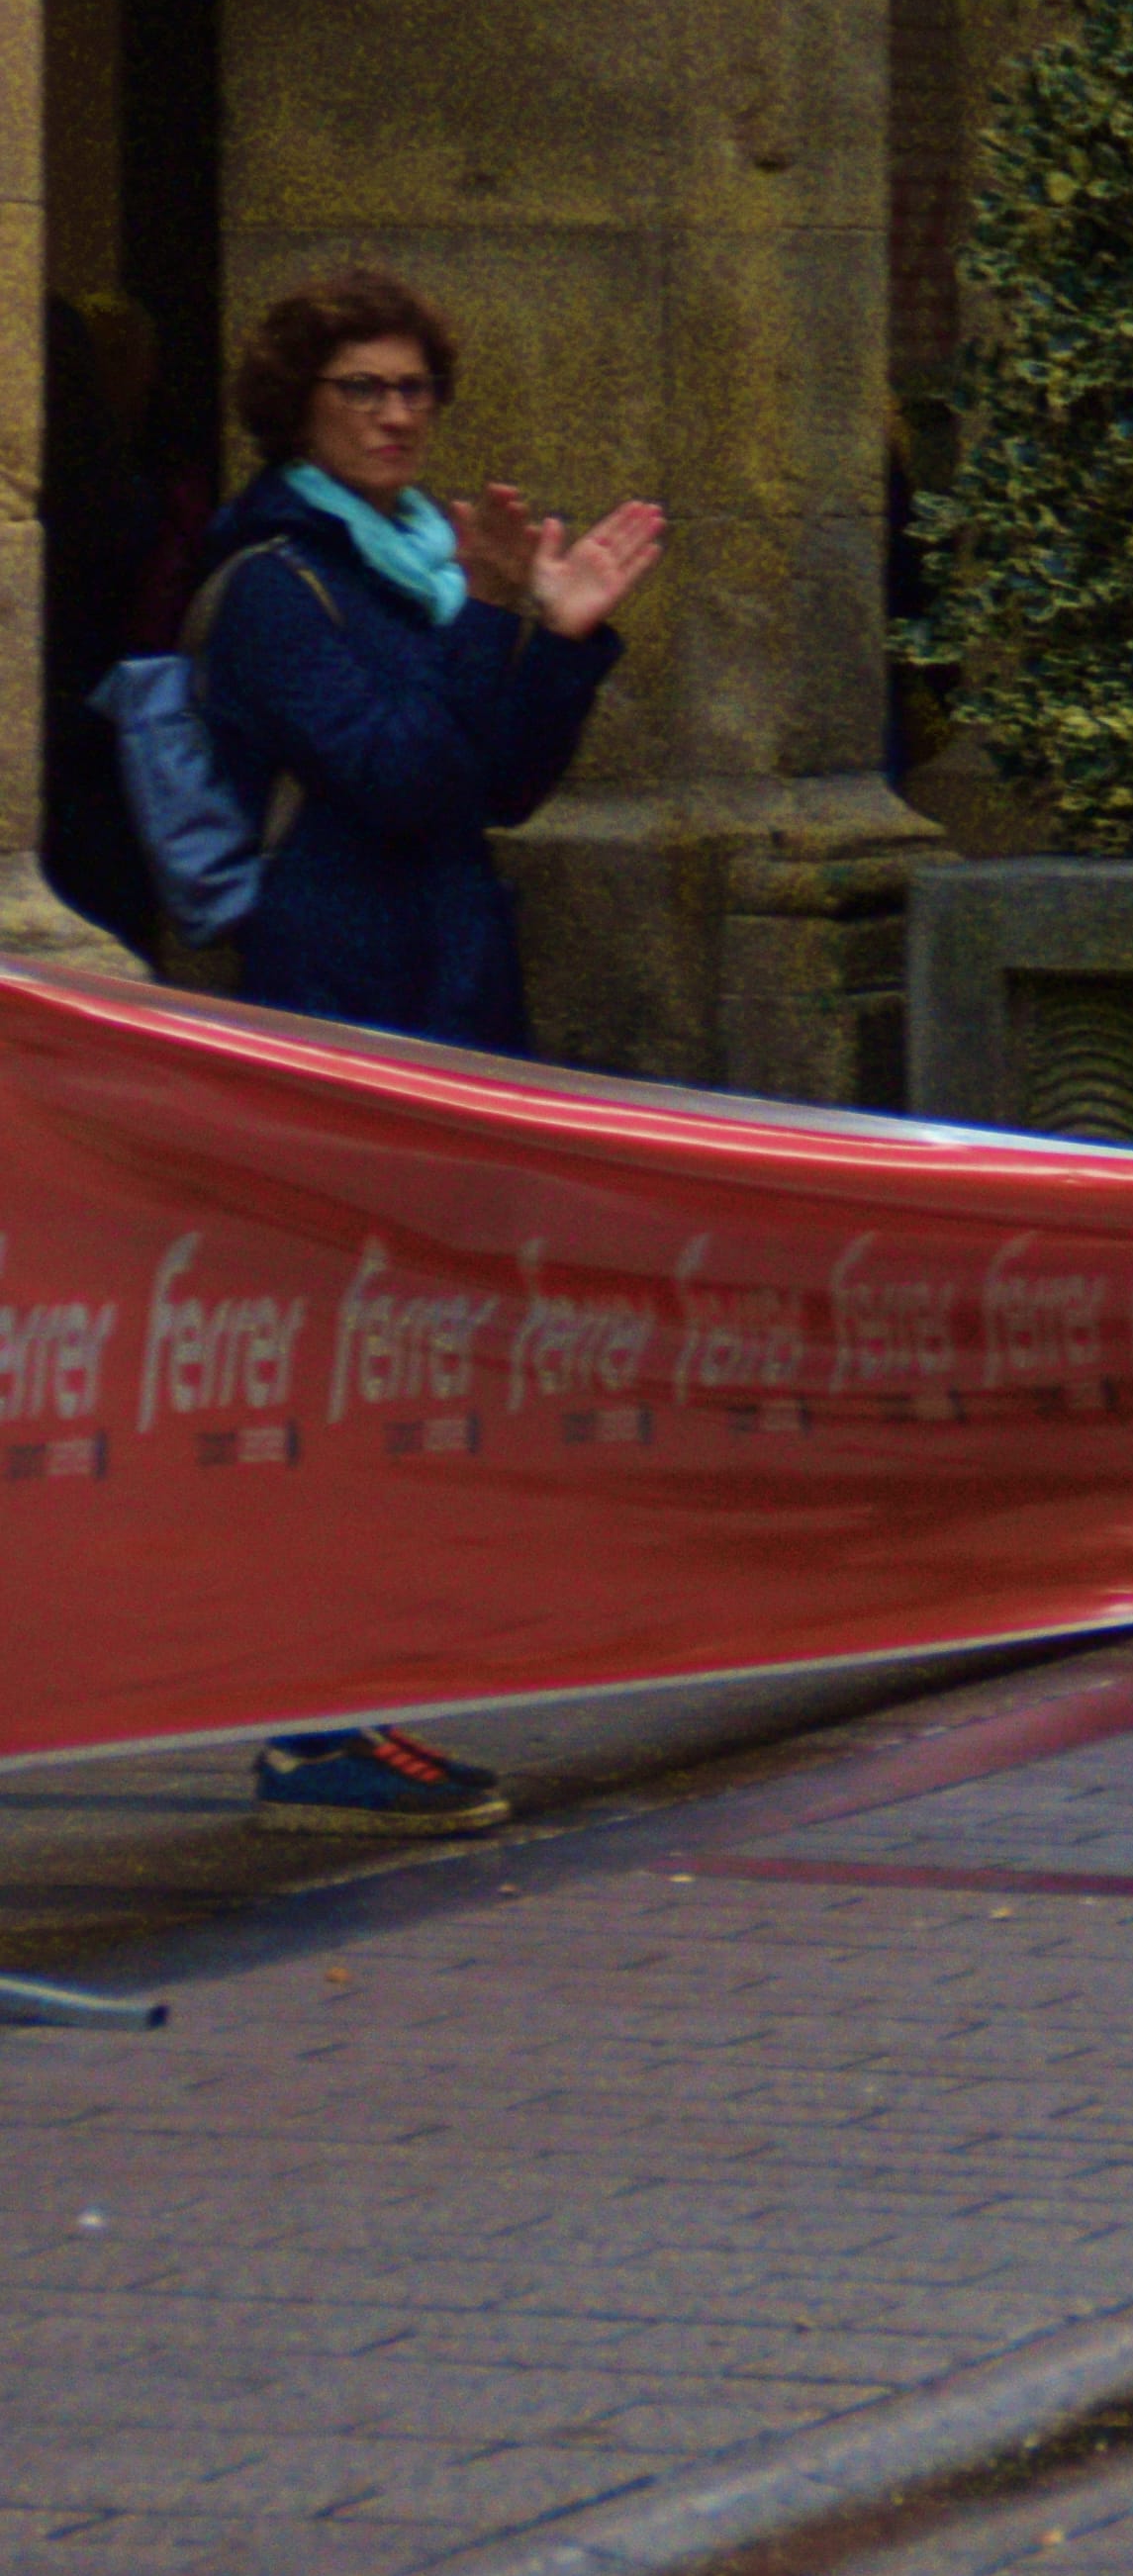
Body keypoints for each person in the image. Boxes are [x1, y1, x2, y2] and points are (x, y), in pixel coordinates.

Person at [201, 266, 665, 1835]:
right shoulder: (280, 580)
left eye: (414, 391)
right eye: (364, 392)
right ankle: (314, 1726)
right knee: (345, 1364)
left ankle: (372, 1695)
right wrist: (484, 617)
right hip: (336, 1002)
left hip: (446, 990)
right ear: (301, 409)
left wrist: (563, 643)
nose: (398, 416)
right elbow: (400, 777)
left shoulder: (408, 567)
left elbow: (497, 786)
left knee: (418, 1364)